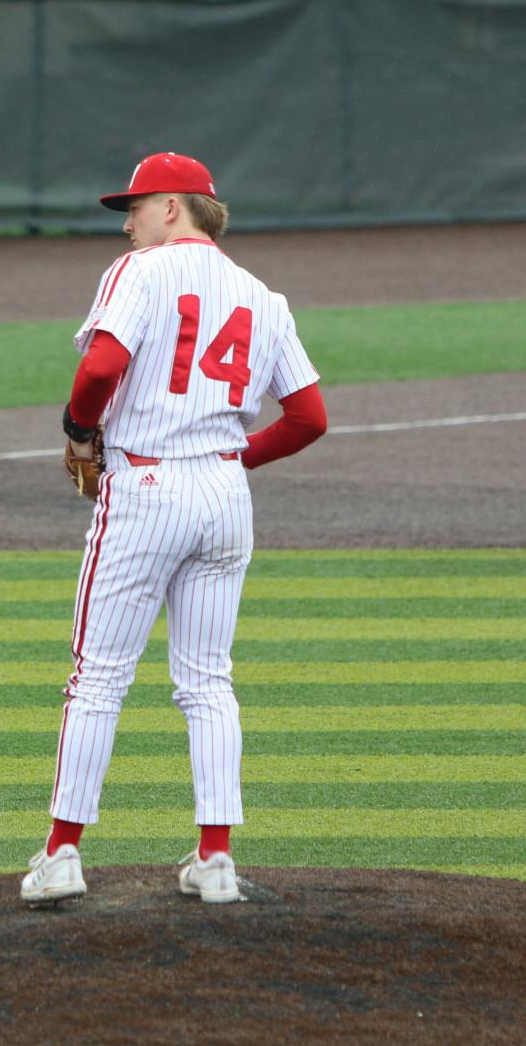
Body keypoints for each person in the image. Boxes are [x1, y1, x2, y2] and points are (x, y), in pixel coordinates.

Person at [22, 152, 330, 907]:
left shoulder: (141, 272)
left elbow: (99, 370)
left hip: (146, 489)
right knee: (208, 680)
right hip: (225, 495)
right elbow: (309, 418)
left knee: (97, 677)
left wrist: (78, 431)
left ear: (173, 208)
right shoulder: (265, 297)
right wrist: (231, 460)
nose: (126, 222)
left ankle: (63, 854)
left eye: (134, 206)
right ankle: (215, 858)